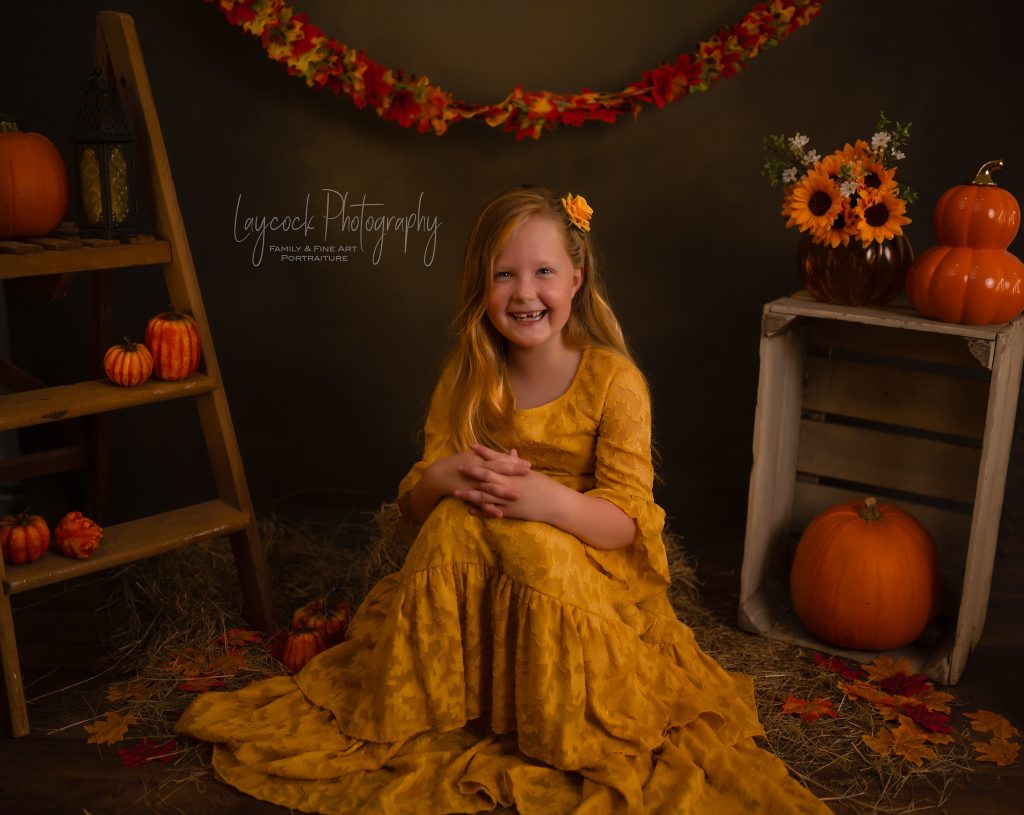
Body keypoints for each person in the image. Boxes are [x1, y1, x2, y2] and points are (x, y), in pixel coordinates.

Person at [176, 186, 831, 814]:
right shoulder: (469, 375)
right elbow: (416, 508)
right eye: (503, 275)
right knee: (454, 527)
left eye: (543, 270)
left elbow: (628, 521)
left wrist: (551, 502)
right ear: (480, 286)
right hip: (485, 575)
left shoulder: (613, 380)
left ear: (576, 276)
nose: (524, 294)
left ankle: (551, 714)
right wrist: (449, 475)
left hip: (587, 573)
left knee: (537, 548)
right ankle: (460, 694)